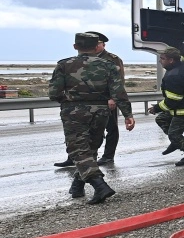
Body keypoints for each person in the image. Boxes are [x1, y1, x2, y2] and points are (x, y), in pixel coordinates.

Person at [48, 32, 135, 203]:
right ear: (97, 47)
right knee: (91, 148)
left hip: (74, 112)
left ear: (75, 47)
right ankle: (77, 186)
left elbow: (54, 93)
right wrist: (128, 114)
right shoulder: (109, 65)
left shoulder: (64, 65)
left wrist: (69, 101)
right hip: (101, 111)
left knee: (78, 150)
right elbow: (118, 92)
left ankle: (99, 185)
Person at [53, 31, 124, 167]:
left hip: (105, 100)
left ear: (103, 45)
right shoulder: (78, 60)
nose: (96, 46)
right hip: (81, 103)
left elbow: (118, 81)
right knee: (78, 130)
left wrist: (112, 98)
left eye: (98, 44)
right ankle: (73, 157)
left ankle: (108, 156)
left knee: (111, 128)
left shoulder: (112, 59)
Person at [155, 47, 184, 166]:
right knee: (160, 119)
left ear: (171, 60)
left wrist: (156, 108)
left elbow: (172, 100)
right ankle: (176, 142)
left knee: (174, 133)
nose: (160, 61)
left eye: (163, 58)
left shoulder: (174, 76)